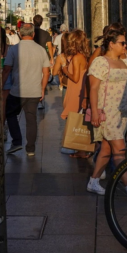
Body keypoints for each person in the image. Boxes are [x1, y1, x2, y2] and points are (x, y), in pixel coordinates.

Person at [86, 28, 127, 197]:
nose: (125, 45)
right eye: (122, 43)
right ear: (112, 44)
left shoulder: (124, 61)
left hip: (122, 113)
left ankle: (93, 181)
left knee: (107, 149)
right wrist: (94, 112)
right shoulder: (100, 62)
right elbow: (93, 88)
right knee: (120, 150)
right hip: (108, 112)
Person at [3, 23, 51, 156]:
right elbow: (46, 72)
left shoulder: (14, 49)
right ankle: (30, 149)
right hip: (34, 91)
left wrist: (1, 85)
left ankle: (17, 141)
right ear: (33, 34)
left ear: (20, 33)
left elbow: (6, 69)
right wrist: (42, 89)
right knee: (31, 120)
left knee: (10, 114)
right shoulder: (41, 50)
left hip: (17, 91)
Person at [53, 29, 92, 157]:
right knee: (78, 118)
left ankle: (74, 146)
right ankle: (81, 150)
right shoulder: (83, 56)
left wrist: (65, 70)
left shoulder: (76, 57)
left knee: (73, 118)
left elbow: (75, 78)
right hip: (78, 89)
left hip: (76, 90)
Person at [32, 15, 54, 109]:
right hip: (43, 57)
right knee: (42, 77)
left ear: (33, 22)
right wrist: (51, 58)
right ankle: (40, 100)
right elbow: (49, 47)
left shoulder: (31, 33)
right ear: (41, 23)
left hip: (32, 57)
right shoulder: (46, 34)